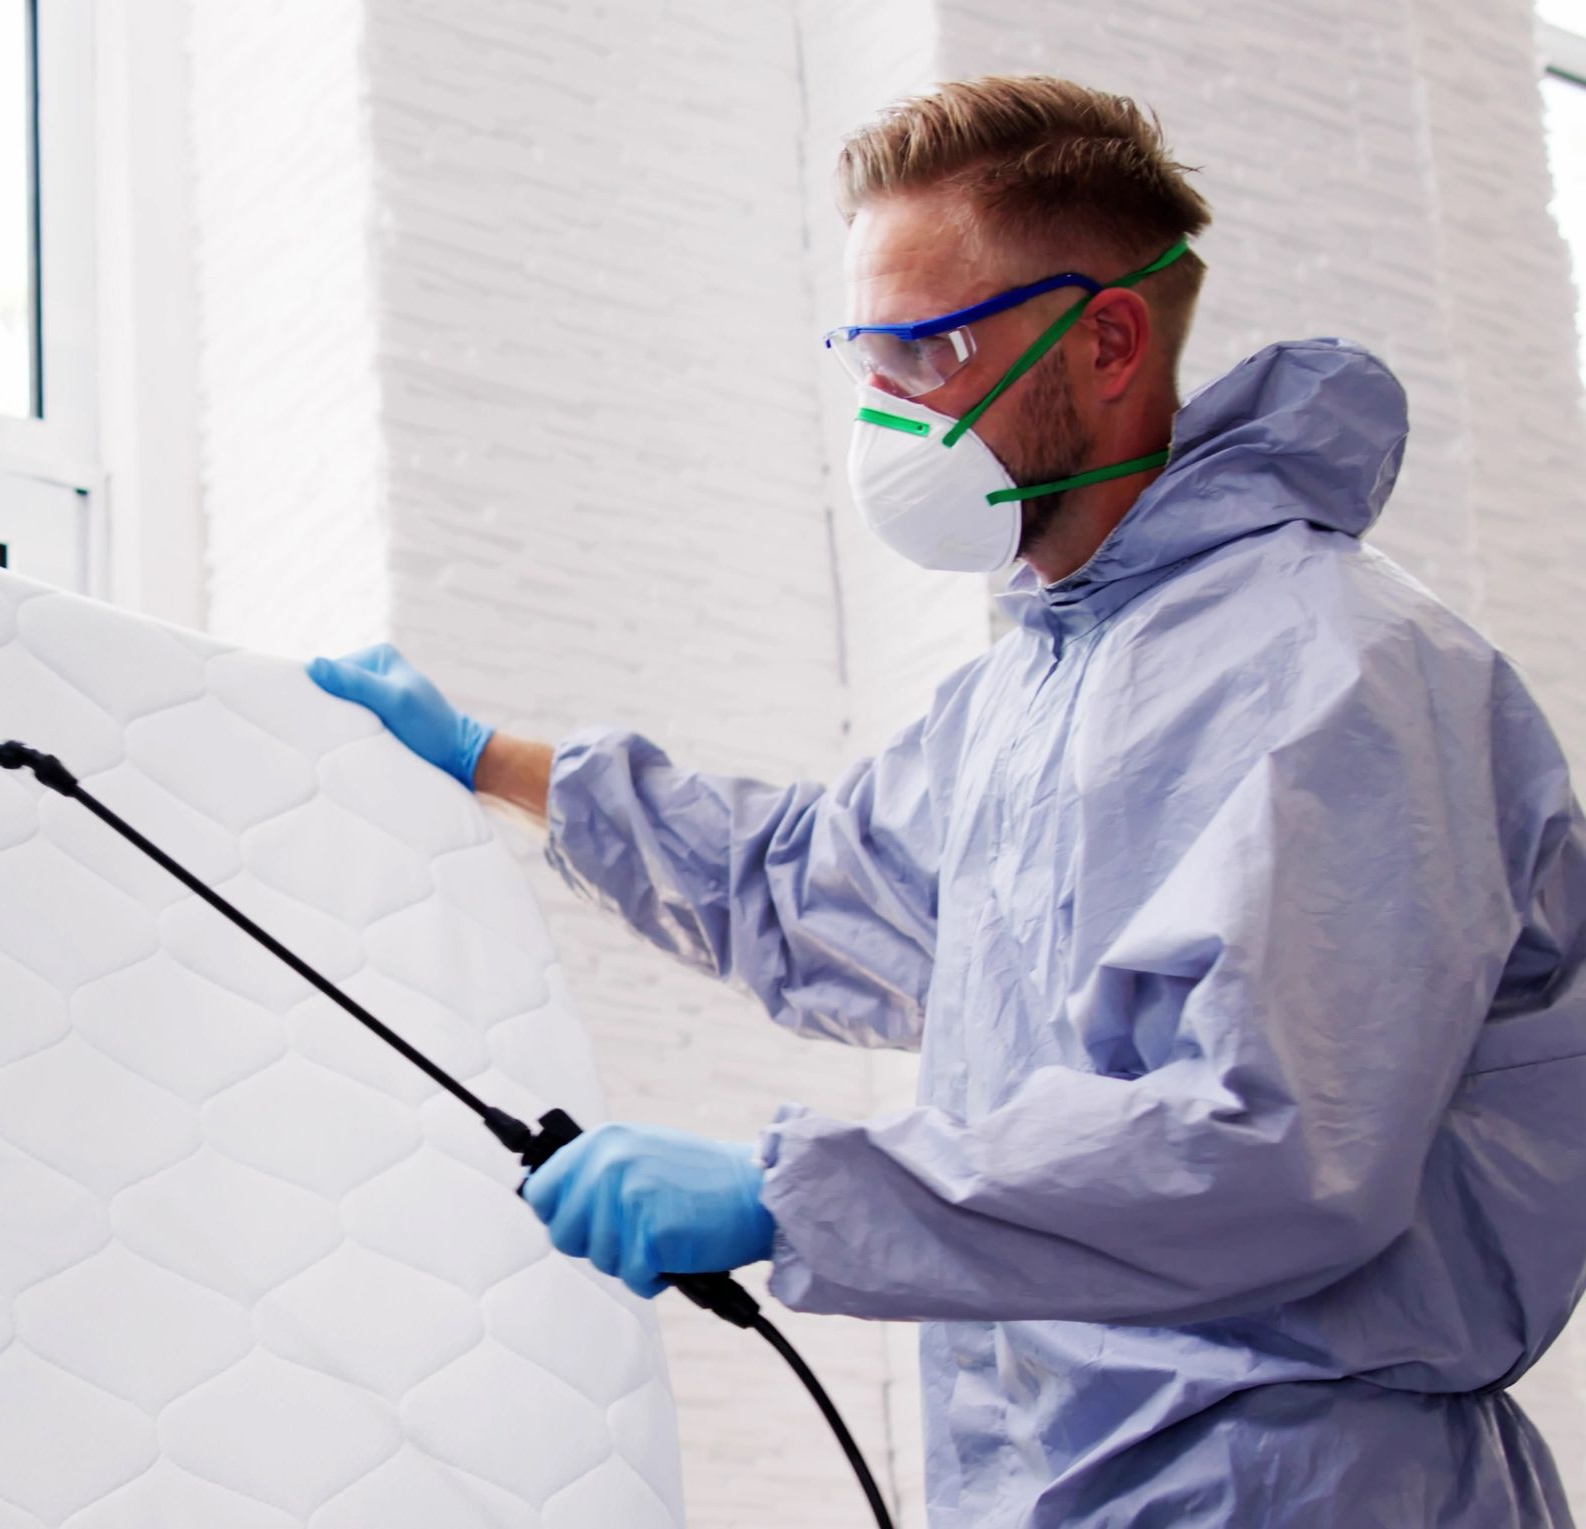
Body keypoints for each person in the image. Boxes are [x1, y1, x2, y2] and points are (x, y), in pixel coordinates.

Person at [307, 75, 1586, 1528]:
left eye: (930, 351)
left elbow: (1274, 1151)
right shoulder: (1027, 695)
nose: (886, 413)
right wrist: (486, 760)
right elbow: (810, 890)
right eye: (870, 355)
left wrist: (784, 1191)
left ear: (1105, 340)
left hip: (1309, 1491)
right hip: (1055, 1481)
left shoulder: (1343, 675)